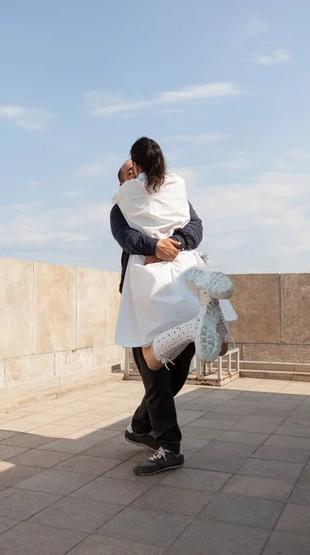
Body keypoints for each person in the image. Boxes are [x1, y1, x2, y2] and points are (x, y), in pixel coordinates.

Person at [111, 137, 234, 474]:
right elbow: (125, 238)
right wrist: (155, 244)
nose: (136, 177)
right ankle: (169, 446)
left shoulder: (175, 197)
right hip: (144, 301)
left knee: (176, 373)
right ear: (124, 182)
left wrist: (175, 243)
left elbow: (195, 227)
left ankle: (139, 427)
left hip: (179, 291)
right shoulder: (120, 208)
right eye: (128, 174)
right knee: (153, 374)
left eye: (134, 169)